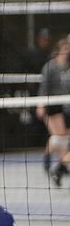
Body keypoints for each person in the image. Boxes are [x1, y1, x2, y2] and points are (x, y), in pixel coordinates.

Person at [37, 37, 70, 185]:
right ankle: (57, 166)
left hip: (65, 106)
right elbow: (43, 87)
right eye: (65, 48)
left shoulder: (68, 67)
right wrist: (41, 104)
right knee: (58, 138)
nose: (67, 51)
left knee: (61, 140)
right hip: (52, 105)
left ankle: (60, 166)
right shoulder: (50, 67)